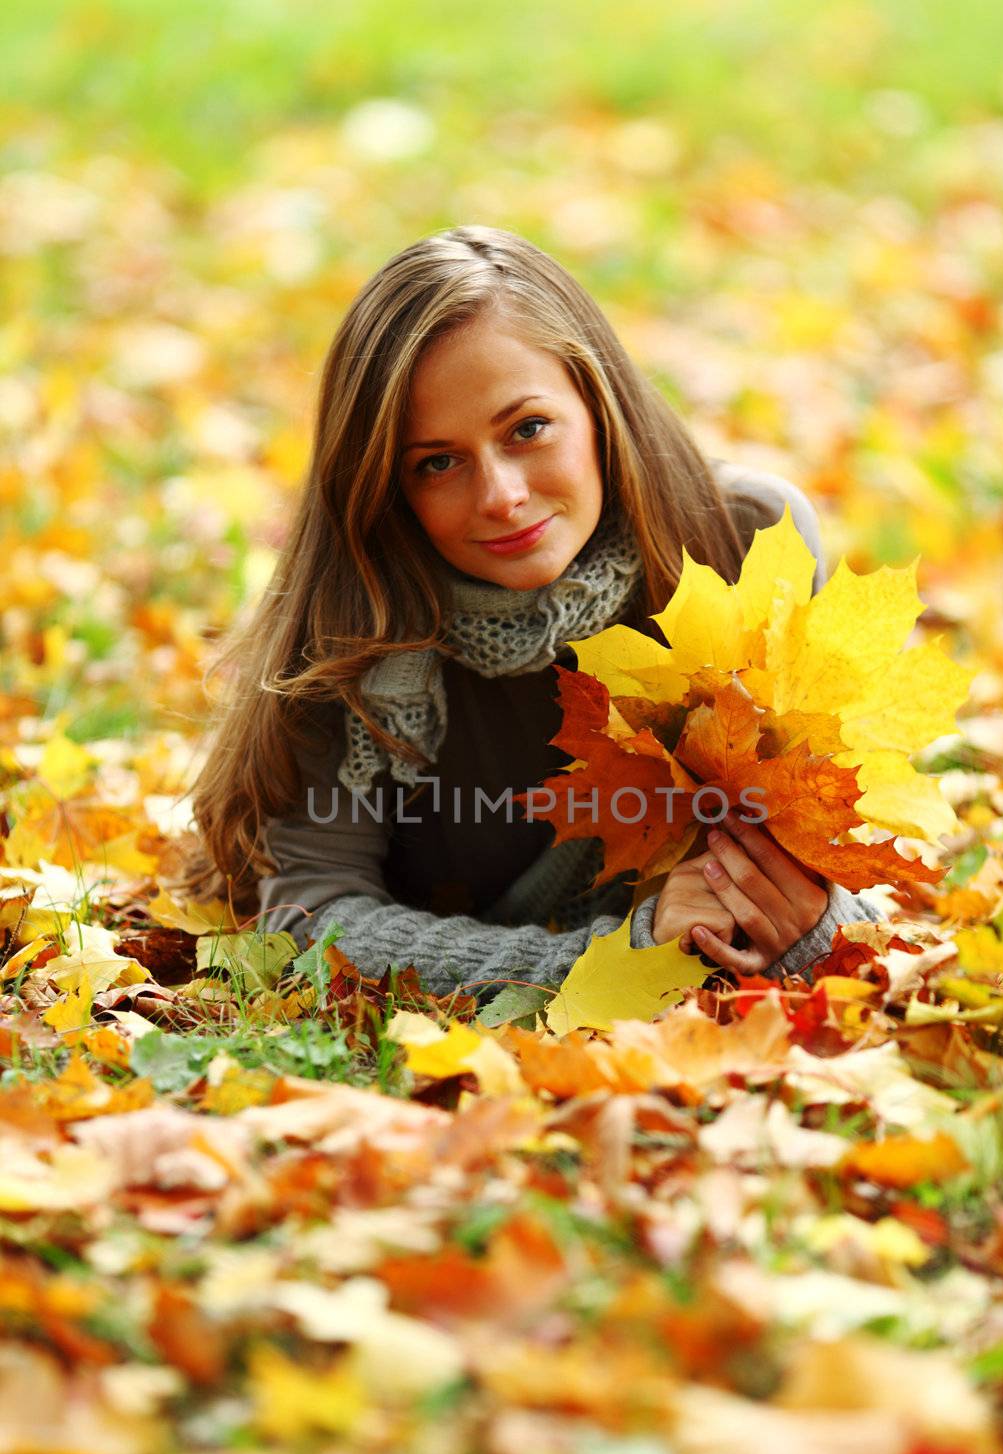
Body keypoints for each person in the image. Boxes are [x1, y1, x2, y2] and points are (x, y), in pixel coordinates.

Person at [177, 225, 878, 1005]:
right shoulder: (354, 616)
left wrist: (811, 930)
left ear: (598, 401)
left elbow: (822, 848)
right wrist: (611, 960)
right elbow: (309, 918)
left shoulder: (741, 542)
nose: (501, 495)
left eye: (527, 429)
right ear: (382, 484)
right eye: (436, 462)